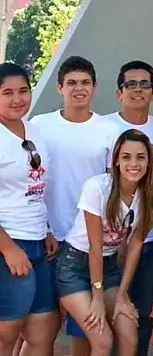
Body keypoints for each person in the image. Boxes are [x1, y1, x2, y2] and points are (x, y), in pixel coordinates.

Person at [30, 56, 120, 355]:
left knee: (84, 330)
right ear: (60, 87)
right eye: (71, 83)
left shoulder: (109, 130)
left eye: (85, 83)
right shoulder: (39, 126)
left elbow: (113, 188)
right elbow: (29, 181)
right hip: (46, 239)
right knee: (40, 327)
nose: (78, 89)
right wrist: (43, 228)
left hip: (87, 244)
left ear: (94, 88)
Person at [55, 129, 153, 356]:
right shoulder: (97, 188)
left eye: (140, 157)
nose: (133, 164)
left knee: (128, 333)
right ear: (115, 160)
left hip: (110, 267)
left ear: (149, 161)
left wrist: (123, 294)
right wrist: (97, 298)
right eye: (126, 157)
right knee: (103, 340)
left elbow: (136, 244)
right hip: (74, 265)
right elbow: (95, 247)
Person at [103, 60, 153, 356]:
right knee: (107, 313)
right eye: (131, 84)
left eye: (145, 84)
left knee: (140, 312)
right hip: (111, 241)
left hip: (152, 239)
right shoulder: (104, 127)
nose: (138, 90)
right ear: (119, 92)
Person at [0, 63, 59, 356]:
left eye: (23, 90)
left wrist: (47, 229)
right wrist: (8, 248)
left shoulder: (35, 130)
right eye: (7, 92)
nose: (17, 98)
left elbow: (38, 187)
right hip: (8, 246)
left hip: (38, 243)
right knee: (6, 332)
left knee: (42, 330)